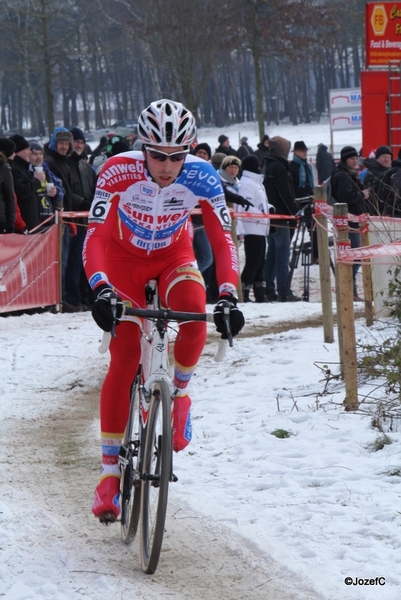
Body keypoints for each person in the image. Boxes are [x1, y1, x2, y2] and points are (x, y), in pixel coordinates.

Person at [83, 99, 245, 522]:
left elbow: (223, 237)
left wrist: (228, 293)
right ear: (143, 148)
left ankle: (182, 394)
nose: (168, 166)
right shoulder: (117, 169)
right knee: (125, 356)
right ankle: (108, 476)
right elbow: (95, 236)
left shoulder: (202, 176)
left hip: (174, 255)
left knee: (194, 312)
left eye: (177, 156)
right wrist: (100, 289)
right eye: (158, 156)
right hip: (122, 261)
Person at [262, 136, 300, 302]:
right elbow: (285, 192)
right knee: (283, 254)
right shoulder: (280, 166)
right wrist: (295, 212)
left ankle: (269, 287)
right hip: (281, 216)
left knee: (272, 253)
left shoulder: (266, 164)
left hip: (269, 217)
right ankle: (284, 291)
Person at [331, 146, 369, 300]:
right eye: (352, 158)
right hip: (349, 221)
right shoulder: (342, 176)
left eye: (356, 158)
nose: (355, 161)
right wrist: (362, 194)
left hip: (355, 220)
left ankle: (349, 290)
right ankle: (347, 289)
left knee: (356, 257)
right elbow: (345, 197)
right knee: (354, 257)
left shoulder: (349, 174)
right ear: (345, 159)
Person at [66, 127, 98, 310]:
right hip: (73, 220)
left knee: (87, 262)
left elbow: (96, 190)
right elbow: (68, 192)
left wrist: (93, 203)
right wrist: (85, 203)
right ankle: (74, 298)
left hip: (88, 221)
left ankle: (86, 297)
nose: (78, 145)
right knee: (73, 263)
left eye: (81, 142)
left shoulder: (86, 167)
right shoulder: (65, 164)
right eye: (75, 141)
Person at [237, 155, 271, 302]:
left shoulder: (257, 182)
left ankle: (260, 293)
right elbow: (245, 206)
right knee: (253, 261)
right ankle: (243, 291)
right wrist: (262, 215)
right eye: (258, 164)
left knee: (260, 261)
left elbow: (260, 203)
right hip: (252, 227)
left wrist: (270, 209)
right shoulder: (247, 184)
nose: (260, 167)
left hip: (261, 227)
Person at [9, 134, 44, 232]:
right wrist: (37, 181)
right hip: (23, 226)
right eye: (27, 149)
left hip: (32, 223)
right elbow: (21, 192)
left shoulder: (25, 167)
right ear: (18, 152)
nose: (30, 152)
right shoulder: (14, 169)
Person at [191, 143, 213, 276]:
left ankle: (188, 278)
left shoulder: (210, 173)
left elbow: (221, 192)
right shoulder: (185, 170)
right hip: (186, 221)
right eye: (199, 152)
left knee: (207, 258)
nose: (201, 155)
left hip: (203, 223)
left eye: (204, 153)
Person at [29, 140, 63, 225]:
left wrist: (56, 192)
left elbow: (61, 188)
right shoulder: (26, 172)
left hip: (50, 219)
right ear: (28, 156)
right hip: (35, 221)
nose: (38, 157)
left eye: (40, 154)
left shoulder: (47, 171)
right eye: (35, 154)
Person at [361, 145, 392, 214]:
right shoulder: (374, 173)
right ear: (377, 158)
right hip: (377, 212)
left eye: (389, 157)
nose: (386, 159)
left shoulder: (387, 172)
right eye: (384, 157)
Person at [0, 138, 16, 233]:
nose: (15, 154)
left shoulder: (4, 167)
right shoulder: (4, 168)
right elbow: (10, 196)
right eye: (12, 152)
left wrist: (10, 222)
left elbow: (10, 196)